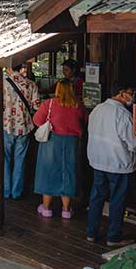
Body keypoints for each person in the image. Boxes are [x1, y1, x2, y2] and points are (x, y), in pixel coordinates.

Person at [86, 81, 136, 245]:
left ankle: (91, 232)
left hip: (98, 161)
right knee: (117, 200)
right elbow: (134, 143)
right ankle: (113, 236)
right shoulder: (123, 114)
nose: (133, 96)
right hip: (118, 163)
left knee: (97, 197)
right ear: (122, 94)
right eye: (131, 93)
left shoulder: (97, 109)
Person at [33, 78, 87, 218]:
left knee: (48, 173)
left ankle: (46, 209)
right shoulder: (78, 105)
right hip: (71, 142)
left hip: (52, 141)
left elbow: (37, 120)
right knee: (68, 173)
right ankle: (66, 210)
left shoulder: (49, 103)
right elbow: (85, 121)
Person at [3, 64, 41, 200]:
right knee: (20, 160)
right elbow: (37, 106)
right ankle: (16, 192)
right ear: (21, 68)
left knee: (6, 159)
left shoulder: (3, 83)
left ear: (9, 68)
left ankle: (6, 190)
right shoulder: (31, 84)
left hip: (7, 125)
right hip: (24, 126)